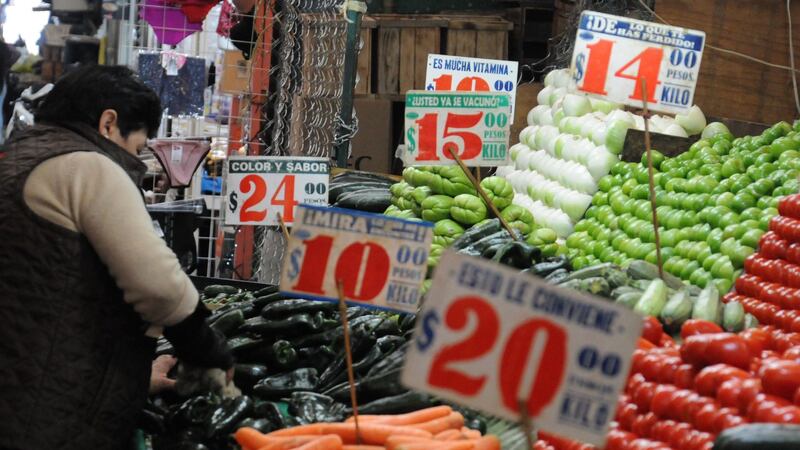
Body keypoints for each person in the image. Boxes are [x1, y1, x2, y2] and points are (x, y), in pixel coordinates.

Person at [0, 65, 234, 449]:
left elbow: (51, 303)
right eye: (139, 146)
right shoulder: (86, 164)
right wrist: (209, 349)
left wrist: (134, 377)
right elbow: (159, 288)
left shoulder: (21, 155)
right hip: (41, 419)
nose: (137, 158)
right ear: (109, 123)